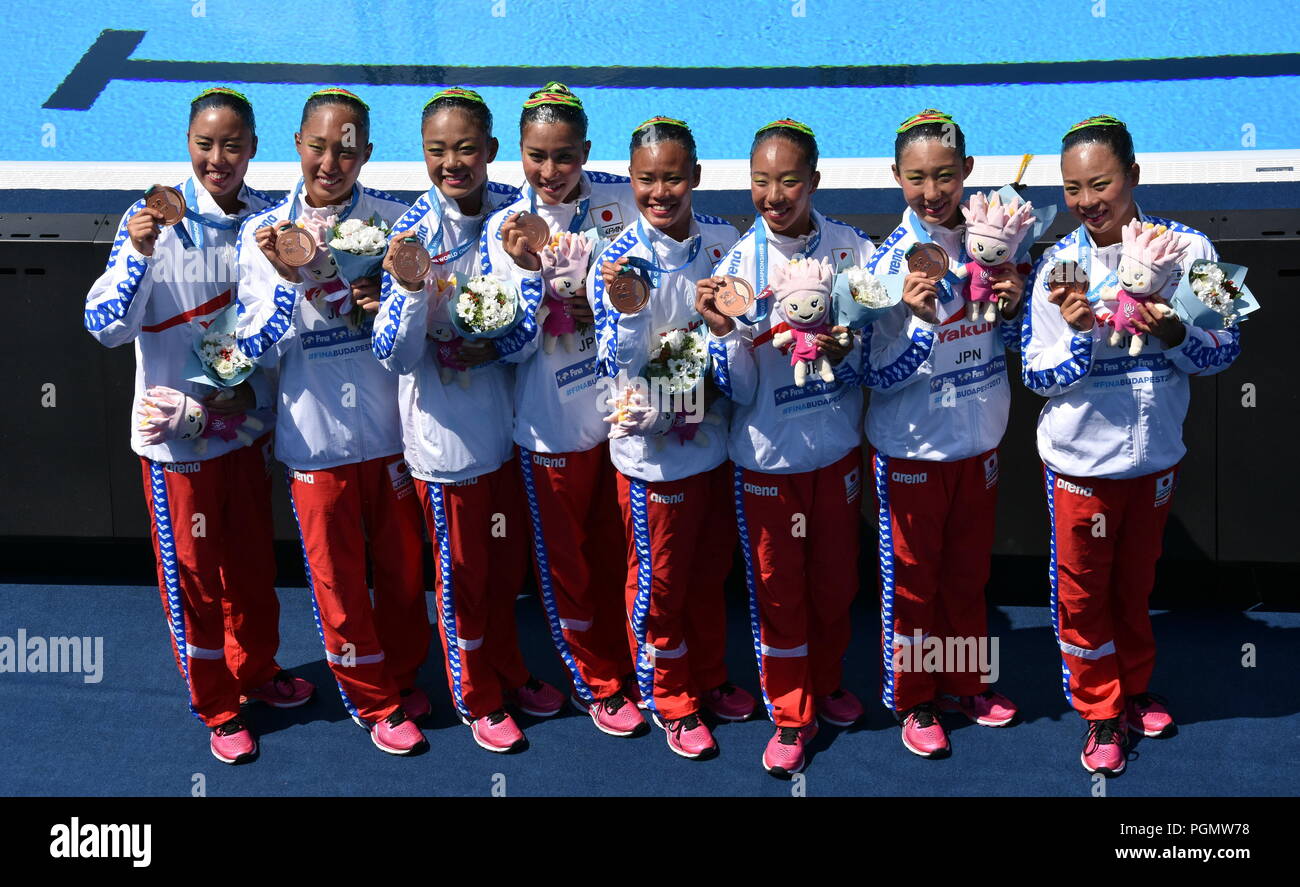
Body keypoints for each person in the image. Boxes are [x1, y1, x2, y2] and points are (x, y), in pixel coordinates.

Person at [84, 86, 313, 765]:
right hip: (175, 441)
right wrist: (134, 253)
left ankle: (257, 670)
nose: (219, 158)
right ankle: (217, 702)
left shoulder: (266, 220)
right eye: (206, 144)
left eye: (233, 145)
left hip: (242, 430)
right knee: (194, 575)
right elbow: (103, 325)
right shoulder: (149, 220)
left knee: (250, 563)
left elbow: (281, 326)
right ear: (186, 143)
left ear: (253, 149)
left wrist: (244, 395)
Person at [1022, 115, 1241, 776]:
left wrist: (1178, 334)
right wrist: (1082, 334)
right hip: (1080, 467)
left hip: (1155, 462)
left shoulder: (1195, 247)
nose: (1087, 202)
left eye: (1101, 184)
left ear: (1134, 177)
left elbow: (1230, 348)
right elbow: (1038, 377)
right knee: (1084, 594)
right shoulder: (1056, 267)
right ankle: (1099, 712)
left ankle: (1134, 687)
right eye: (1072, 189)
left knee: (1136, 584)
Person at [235, 88, 430, 756]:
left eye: (345, 148)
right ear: (297, 145)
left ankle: (401, 675)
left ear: (366, 153)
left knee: (406, 575)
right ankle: (371, 701)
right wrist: (287, 277)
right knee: (339, 585)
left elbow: (422, 328)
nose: (329, 161)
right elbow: (250, 345)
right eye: (317, 145)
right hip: (316, 443)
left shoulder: (399, 222)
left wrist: (389, 303)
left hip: (394, 439)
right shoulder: (259, 235)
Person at [373, 87, 564, 753]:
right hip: (446, 446)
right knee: (462, 581)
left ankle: (509, 671)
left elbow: (528, 340)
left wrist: (507, 318)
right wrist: (405, 287)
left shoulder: (513, 219)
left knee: (505, 576)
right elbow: (393, 355)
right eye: (437, 151)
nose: (452, 162)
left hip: (507, 437)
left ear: (488, 152)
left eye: (464, 149)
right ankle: (476, 698)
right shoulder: (411, 236)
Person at [699, 119, 871, 777]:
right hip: (768, 461)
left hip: (834, 456)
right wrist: (730, 338)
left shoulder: (852, 251)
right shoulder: (738, 267)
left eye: (789, 180)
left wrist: (846, 347)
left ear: (814, 182)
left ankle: (826, 685)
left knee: (835, 585)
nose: (774, 195)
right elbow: (738, 391)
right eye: (761, 181)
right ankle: (792, 714)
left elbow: (868, 363)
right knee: (780, 595)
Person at [479, 82, 648, 738]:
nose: (549, 172)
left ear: (586, 151)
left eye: (563, 157)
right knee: (567, 569)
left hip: (616, 423)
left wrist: (605, 308)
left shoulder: (617, 198)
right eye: (535, 156)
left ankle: (627, 660)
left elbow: (660, 267)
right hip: (548, 429)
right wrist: (538, 293)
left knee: (617, 558)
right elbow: (507, 342)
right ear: (517, 153)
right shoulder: (507, 228)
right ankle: (595, 684)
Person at [592, 116, 756, 760]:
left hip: (715, 447)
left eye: (672, 178)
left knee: (709, 573)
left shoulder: (723, 240)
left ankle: (709, 677)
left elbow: (741, 328)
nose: (659, 192)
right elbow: (616, 367)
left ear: (695, 177)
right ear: (630, 180)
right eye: (645, 180)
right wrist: (633, 312)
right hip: (651, 460)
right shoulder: (614, 260)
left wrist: (714, 346)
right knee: (659, 584)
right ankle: (669, 695)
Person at [863, 109, 1022, 759]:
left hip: (978, 442)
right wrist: (914, 315)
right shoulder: (883, 266)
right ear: (896, 177)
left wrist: (1015, 300)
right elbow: (870, 371)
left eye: (946, 175)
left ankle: (966, 681)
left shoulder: (998, 240)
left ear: (969, 172)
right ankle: (915, 697)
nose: (933, 192)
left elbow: (1012, 338)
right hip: (913, 451)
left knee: (967, 576)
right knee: (914, 582)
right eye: (918, 178)